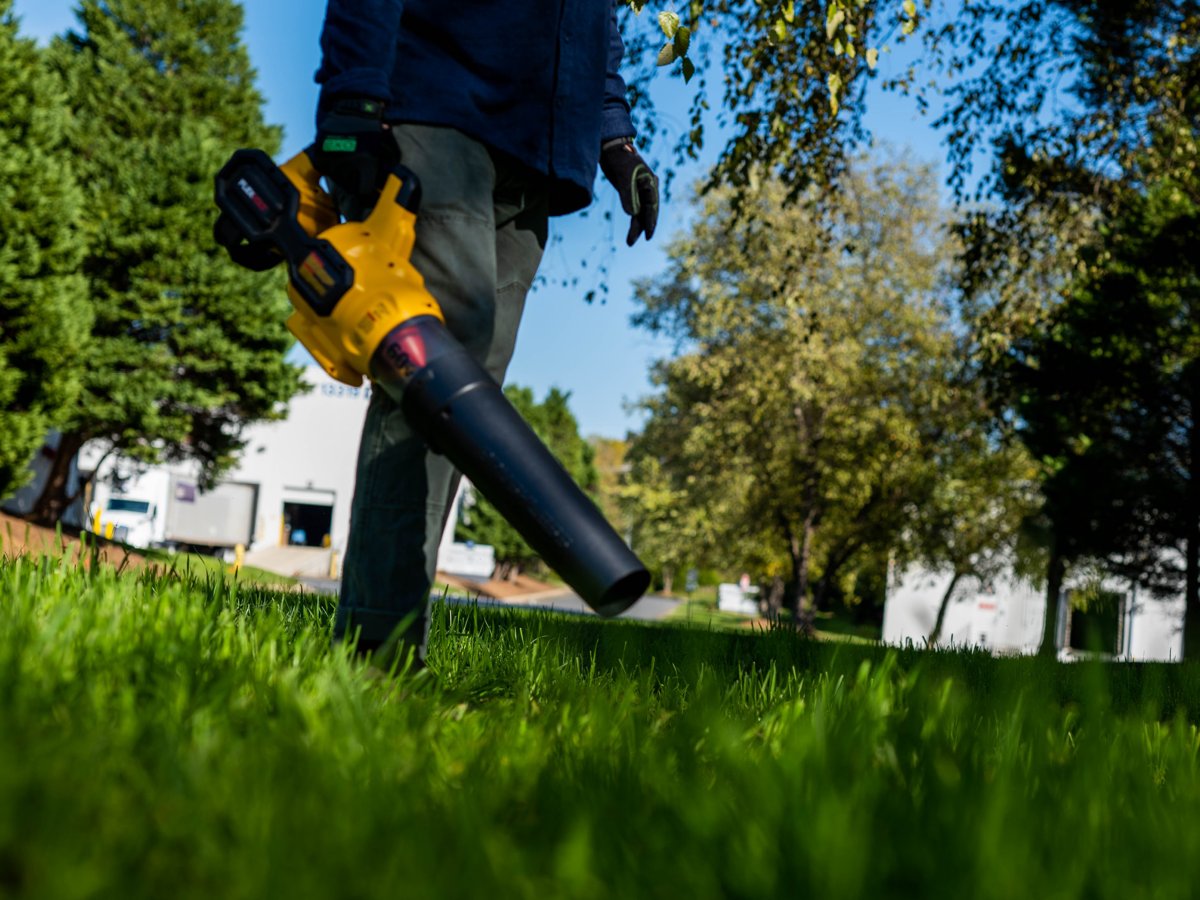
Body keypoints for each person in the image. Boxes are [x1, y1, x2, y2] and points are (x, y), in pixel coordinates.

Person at [310, 1, 660, 668]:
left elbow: (596, 21)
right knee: (433, 375)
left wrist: (615, 140)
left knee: (467, 409)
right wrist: (353, 96)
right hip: (438, 108)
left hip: (537, 153)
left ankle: (389, 634)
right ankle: (377, 652)